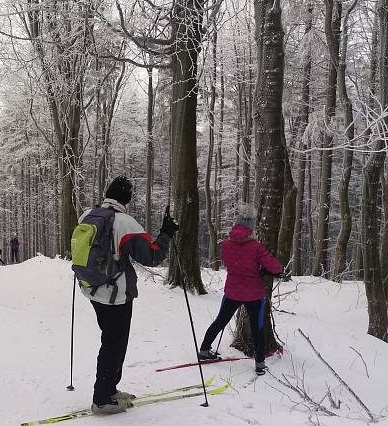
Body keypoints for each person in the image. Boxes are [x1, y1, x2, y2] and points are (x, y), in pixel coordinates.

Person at [79, 176, 179, 415]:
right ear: (127, 200)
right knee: (114, 344)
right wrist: (166, 233)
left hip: (92, 289)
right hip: (116, 295)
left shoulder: (87, 215)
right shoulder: (125, 223)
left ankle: (109, 389)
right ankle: (102, 399)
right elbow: (151, 257)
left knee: (111, 340)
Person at [198, 205, 284, 376]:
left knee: (220, 321)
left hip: (233, 291)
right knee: (257, 327)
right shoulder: (256, 247)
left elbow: (232, 263)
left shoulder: (226, 245)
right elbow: (276, 268)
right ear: (251, 226)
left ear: (236, 223)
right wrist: (265, 270)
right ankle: (260, 364)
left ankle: (204, 350)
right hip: (254, 293)